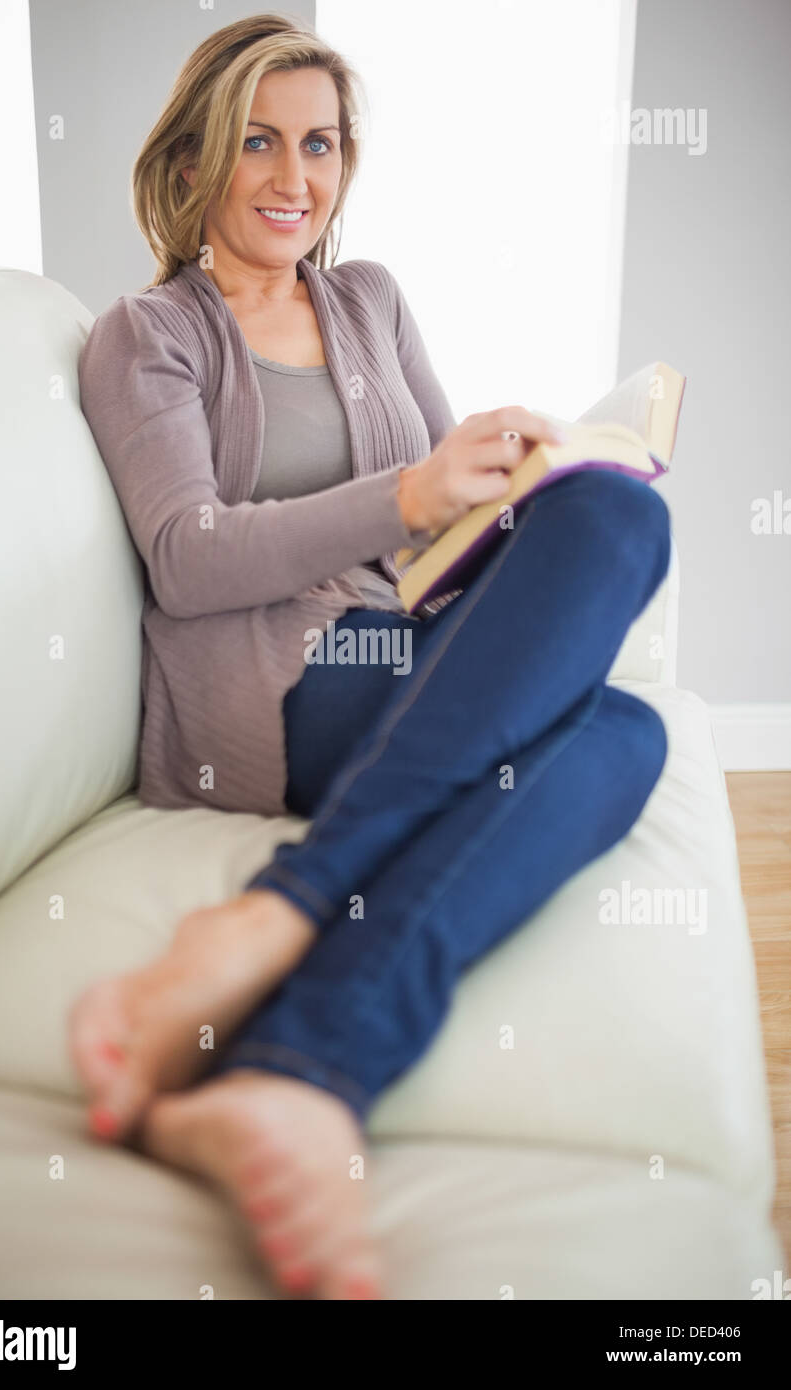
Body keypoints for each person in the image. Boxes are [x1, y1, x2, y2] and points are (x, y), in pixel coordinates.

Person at [69, 13, 671, 1301]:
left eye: (321, 145)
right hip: (272, 691)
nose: (295, 179)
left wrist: (522, 479)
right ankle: (288, 958)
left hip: (407, 637)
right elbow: (187, 554)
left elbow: (445, 519)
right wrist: (407, 496)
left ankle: (287, 1027)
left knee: (622, 551)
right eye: (260, 143)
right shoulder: (150, 334)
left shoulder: (370, 297)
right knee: (616, 728)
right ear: (193, 167)